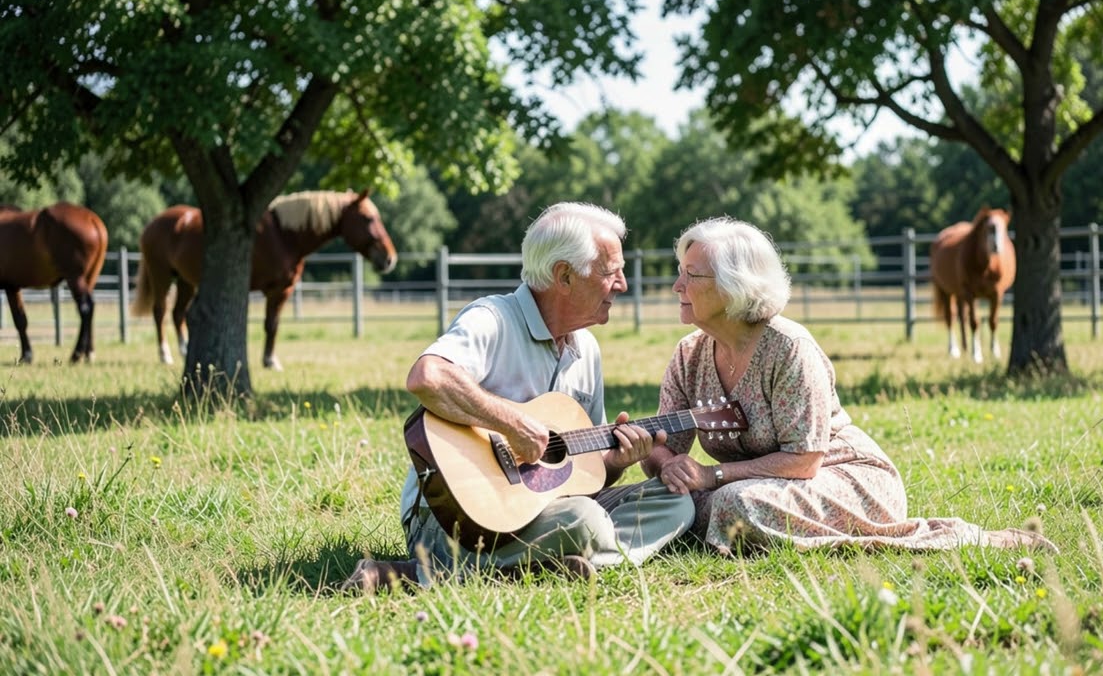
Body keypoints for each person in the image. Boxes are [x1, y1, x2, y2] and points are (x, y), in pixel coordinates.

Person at [642, 216, 1057, 555]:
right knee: (658, 496)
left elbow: (803, 461)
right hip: (754, 485)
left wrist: (712, 475)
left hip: (843, 478)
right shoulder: (689, 354)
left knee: (733, 503)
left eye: (691, 275)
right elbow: (664, 445)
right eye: (680, 274)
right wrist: (664, 464)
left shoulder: (789, 348)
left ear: (735, 285)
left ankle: (967, 539)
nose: (677, 286)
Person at [342, 203, 694, 592]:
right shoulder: (492, 318)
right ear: (564, 276)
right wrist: (511, 424)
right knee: (585, 520)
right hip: (452, 518)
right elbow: (428, 377)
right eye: (610, 272)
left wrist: (619, 461)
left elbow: (586, 475)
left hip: (547, 510)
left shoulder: (587, 349)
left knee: (677, 501)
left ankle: (531, 566)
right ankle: (419, 573)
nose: (622, 284)